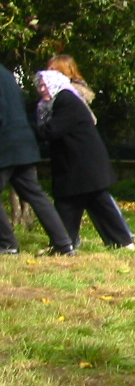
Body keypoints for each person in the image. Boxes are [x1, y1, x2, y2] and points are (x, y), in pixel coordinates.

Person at [34, 67, 135, 250]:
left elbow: (52, 131)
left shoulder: (65, 99)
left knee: (93, 201)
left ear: (54, 84)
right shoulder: (59, 102)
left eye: (44, 85)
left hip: (83, 165)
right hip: (77, 166)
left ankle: (121, 241)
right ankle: (65, 244)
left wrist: (32, 129)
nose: (42, 89)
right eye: (39, 86)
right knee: (70, 203)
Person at [0, 64, 76, 256]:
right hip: (23, 141)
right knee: (35, 194)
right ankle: (63, 243)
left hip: (5, 142)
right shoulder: (7, 74)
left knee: (34, 193)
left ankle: (8, 244)